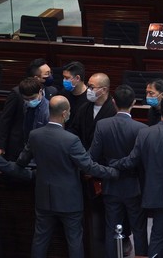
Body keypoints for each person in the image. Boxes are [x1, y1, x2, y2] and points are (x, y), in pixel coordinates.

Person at [16, 95, 119, 258]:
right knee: (74, 240)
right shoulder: (71, 140)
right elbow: (89, 166)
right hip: (69, 200)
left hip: (43, 197)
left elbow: (22, 160)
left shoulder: (35, 135)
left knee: (40, 239)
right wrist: (113, 172)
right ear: (64, 113)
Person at [111, 93, 163, 258]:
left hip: (155, 195)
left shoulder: (145, 133)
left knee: (157, 236)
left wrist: (113, 163)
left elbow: (131, 161)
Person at [89, 85, 149, 258]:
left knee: (112, 228)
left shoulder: (102, 125)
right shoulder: (141, 129)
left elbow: (93, 155)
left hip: (110, 185)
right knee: (139, 228)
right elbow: (141, 160)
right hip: (134, 186)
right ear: (134, 103)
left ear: (113, 102)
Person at [0, 58, 57, 159]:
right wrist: (0, 146)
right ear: (36, 78)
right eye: (47, 74)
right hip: (18, 145)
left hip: (40, 147)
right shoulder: (17, 93)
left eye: (50, 72)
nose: (50, 76)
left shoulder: (52, 91)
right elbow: (5, 120)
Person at [68, 72, 116, 149]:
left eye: (92, 87)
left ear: (103, 90)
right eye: (88, 86)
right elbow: (75, 130)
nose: (88, 90)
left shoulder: (114, 110)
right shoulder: (84, 108)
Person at [60, 61, 88, 126]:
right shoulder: (63, 93)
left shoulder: (88, 98)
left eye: (67, 78)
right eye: (63, 77)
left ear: (77, 78)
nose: (64, 80)